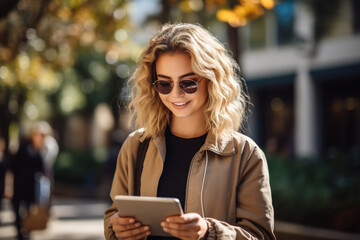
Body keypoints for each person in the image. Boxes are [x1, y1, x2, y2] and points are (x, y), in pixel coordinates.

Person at [104, 23, 275, 240]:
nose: (175, 94)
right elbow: (112, 218)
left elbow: (261, 235)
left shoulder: (245, 155)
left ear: (211, 80)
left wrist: (208, 232)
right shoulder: (136, 146)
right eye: (164, 84)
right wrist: (117, 228)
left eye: (188, 83)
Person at [11, 122, 48, 240]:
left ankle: (26, 229)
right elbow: (14, 164)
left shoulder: (38, 151)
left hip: (30, 185)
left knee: (28, 209)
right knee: (17, 208)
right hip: (19, 184)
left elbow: (41, 168)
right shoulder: (23, 147)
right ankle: (19, 230)